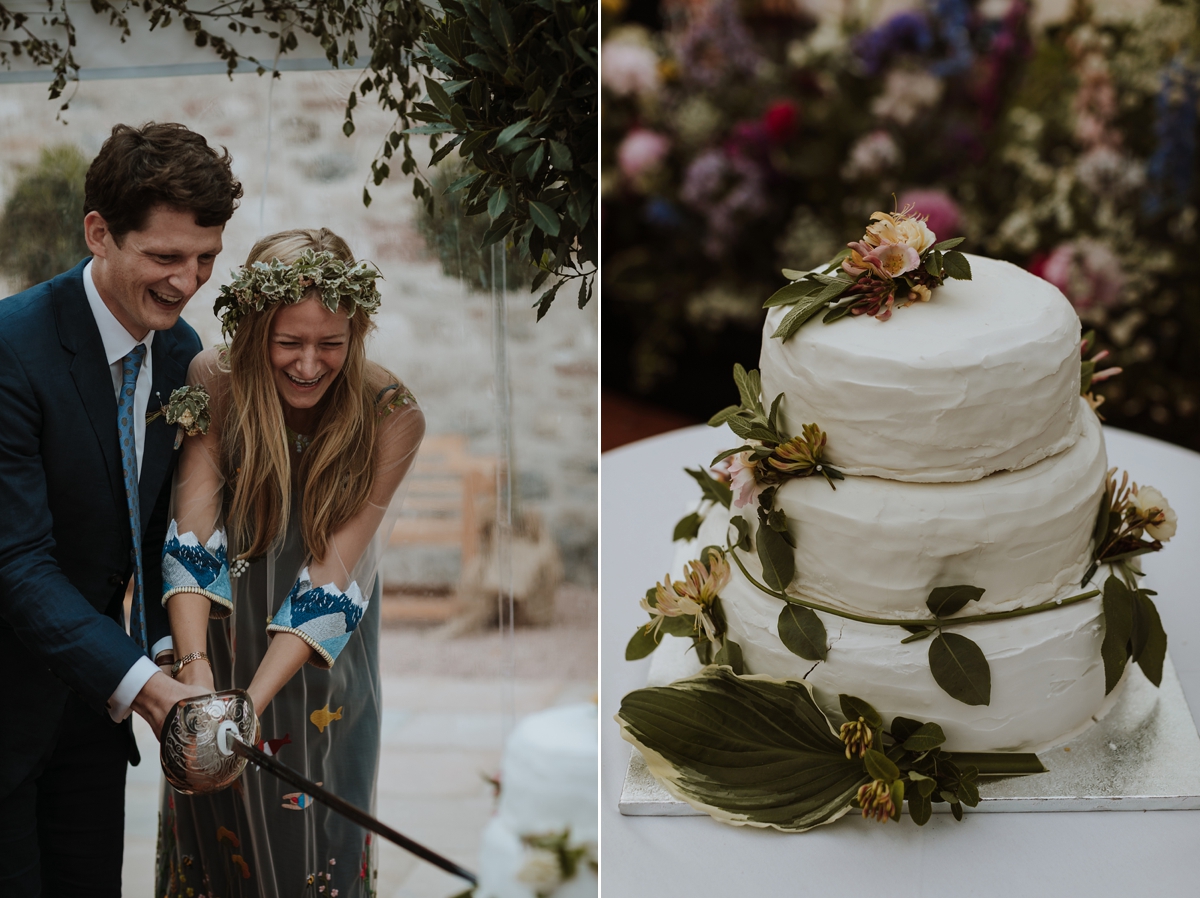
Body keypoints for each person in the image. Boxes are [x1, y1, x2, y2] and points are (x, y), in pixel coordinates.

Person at [0, 122, 243, 895]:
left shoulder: (181, 354)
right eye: (166, 257)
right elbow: (16, 560)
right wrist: (150, 687)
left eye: (206, 257)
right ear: (98, 233)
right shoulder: (11, 347)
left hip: (94, 715)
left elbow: (152, 534)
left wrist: (169, 664)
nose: (188, 280)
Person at [156, 228, 426, 897]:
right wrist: (198, 685)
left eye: (330, 344)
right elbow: (193, 541)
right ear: (254, 333)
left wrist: (247, 706)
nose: (309, 363)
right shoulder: (215, 382)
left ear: (356, 334)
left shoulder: (391, 413)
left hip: (322, 672)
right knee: (219, 853)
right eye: (289, 343)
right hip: (217, 651)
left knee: (316, 858)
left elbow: (332, 581)